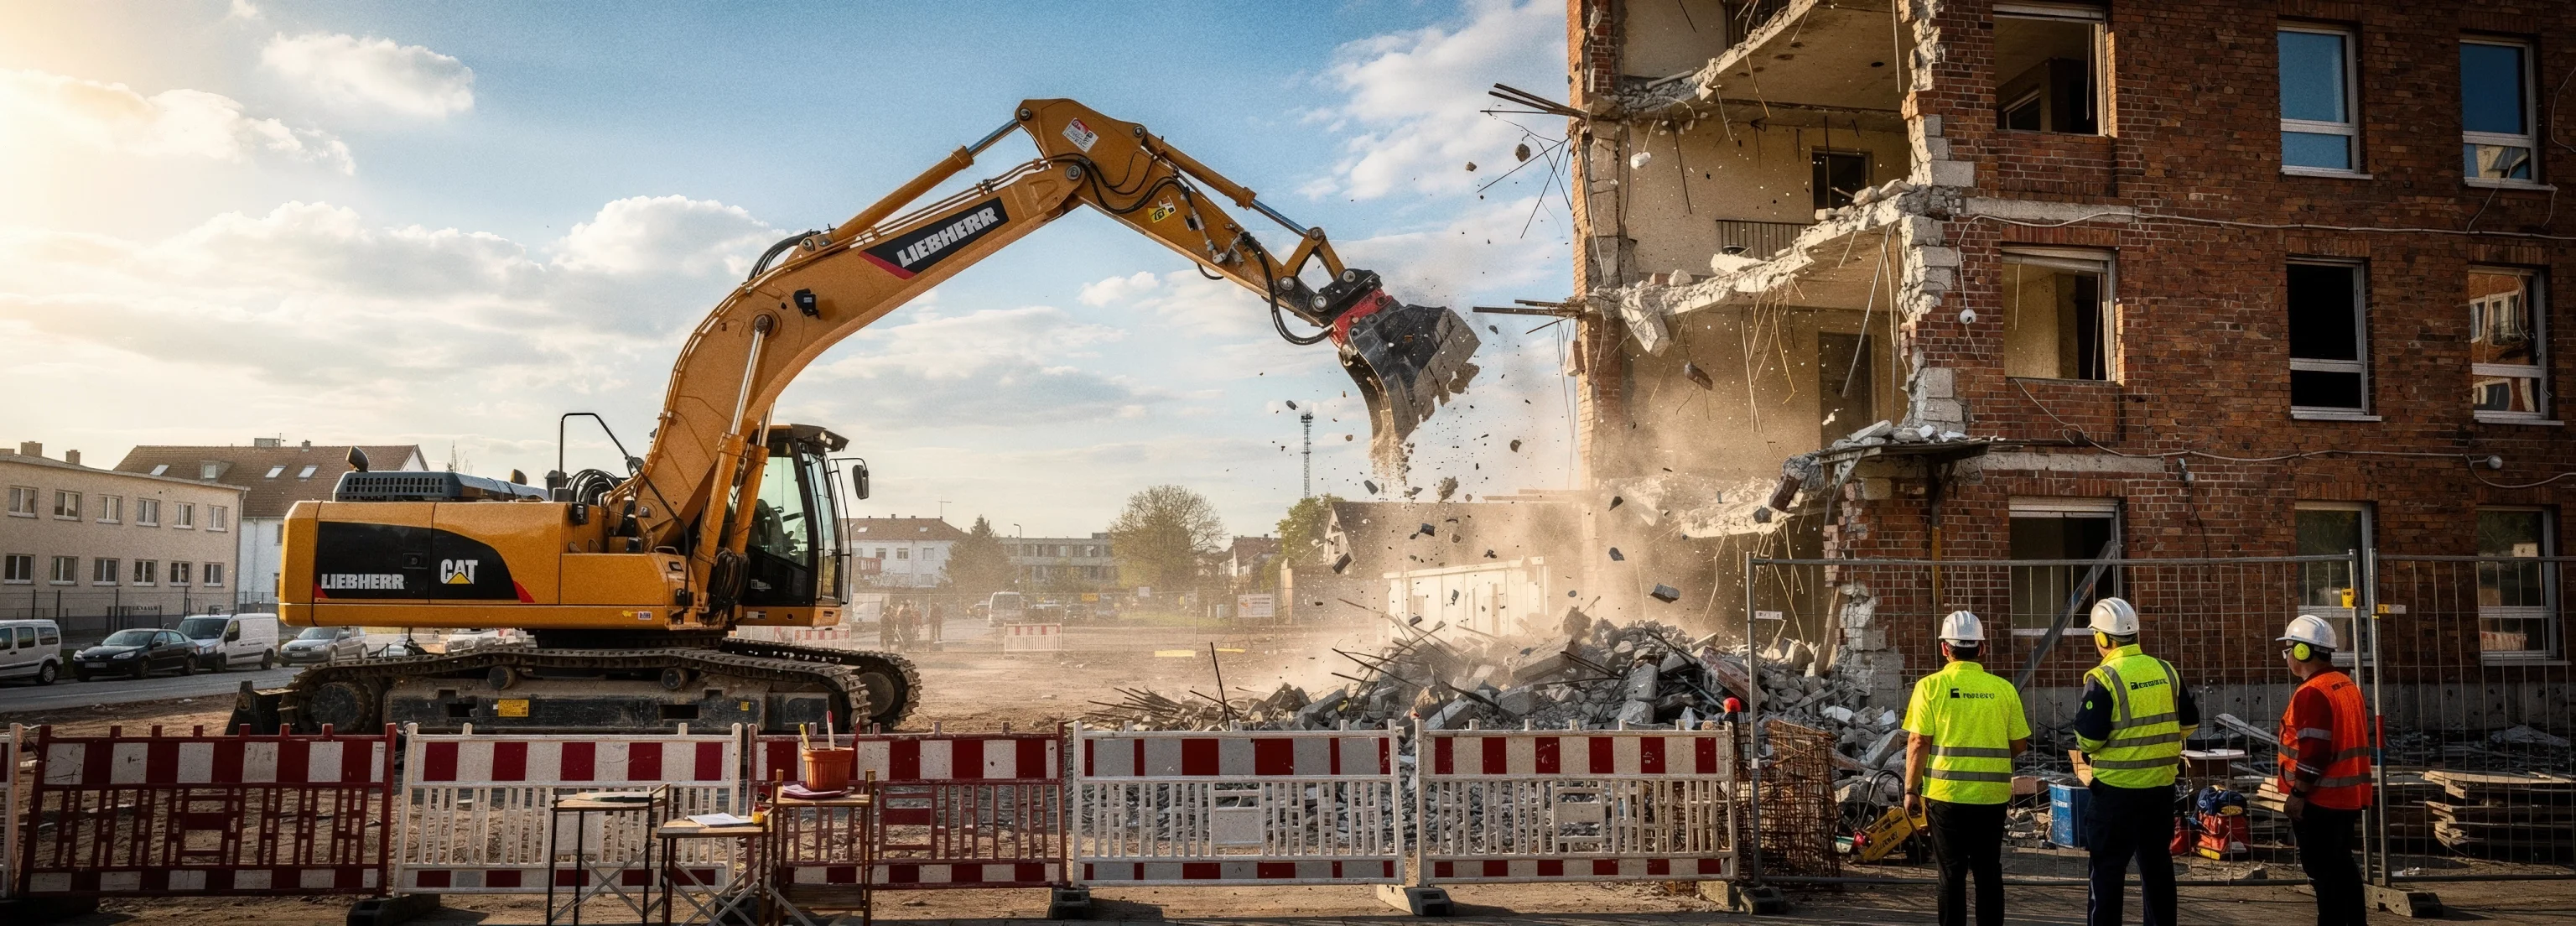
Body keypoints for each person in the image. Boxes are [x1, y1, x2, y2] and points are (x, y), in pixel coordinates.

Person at [2071, 597, 2199, 926]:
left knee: (2107, 874)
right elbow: (2189, 723)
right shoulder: (2166, 670)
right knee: (2157, 868)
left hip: (2115, 793)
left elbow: (2090, 739)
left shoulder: (2104, 677)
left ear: (2103, 638)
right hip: (2160, 789)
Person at [1903, 610, 2031, 926]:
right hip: (1992, 796)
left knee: (1951, 875)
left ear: (1945, 648)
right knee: (1989, 872)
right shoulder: (2003, 689)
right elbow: (2019, 744)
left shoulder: (1930, 687)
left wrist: (1910, 789)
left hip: (1946, 797)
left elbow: (1918, 741)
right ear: (1982, 648)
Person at [2276, 614, 2374, 926]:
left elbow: (2315, 751)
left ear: (2303, 652)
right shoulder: (2345, 685)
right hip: (2347, 796)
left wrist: (2298, 794)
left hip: (2320, 800)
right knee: (2344, 869)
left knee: (2325, 877)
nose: (2287, 657)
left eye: (2289, 649)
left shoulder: (2312, 692)